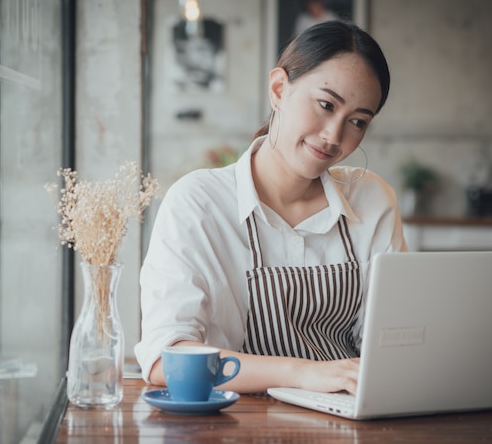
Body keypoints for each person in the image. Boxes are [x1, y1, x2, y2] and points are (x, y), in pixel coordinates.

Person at [135, 20, 407, 395]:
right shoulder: (198, 203)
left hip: (345, 417)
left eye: (357, 121)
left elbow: (389, 346)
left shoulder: (373, 200)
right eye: (326, 105)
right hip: (233, 424)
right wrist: (303, 373)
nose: (334, 136)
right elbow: (167, 360)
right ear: (279, 89)